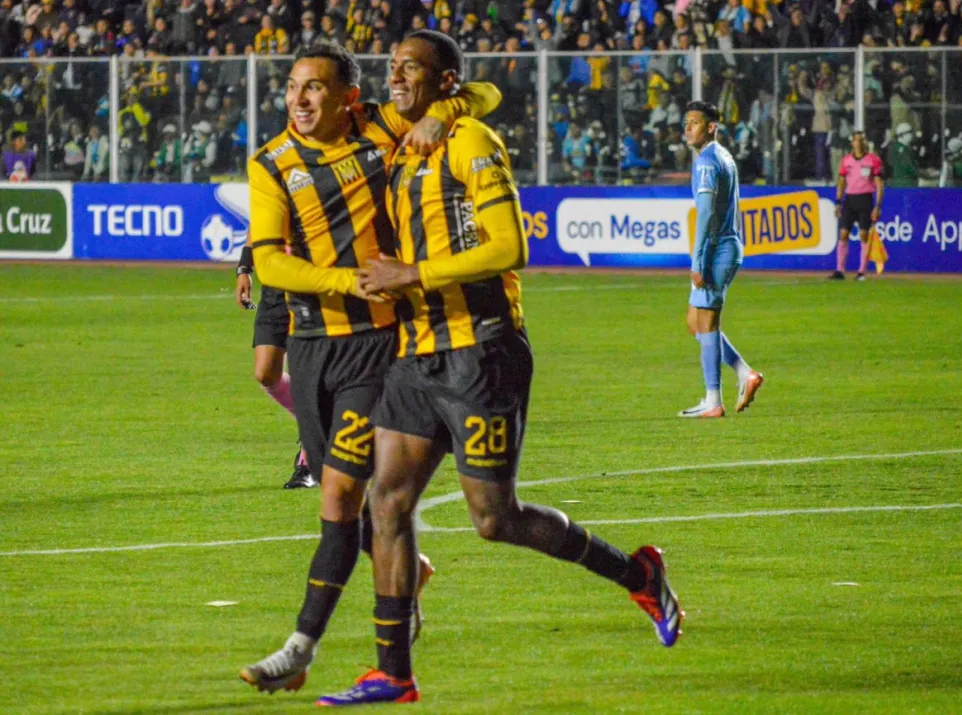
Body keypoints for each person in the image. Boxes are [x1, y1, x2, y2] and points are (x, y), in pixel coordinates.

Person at [315, 31, 683, 708]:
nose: (395, 78)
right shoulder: (402, 134)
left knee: (494, 518)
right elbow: (473, 90)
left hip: (481, 354)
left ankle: (638, 570)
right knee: (387, 503)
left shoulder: (472, 143)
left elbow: (512, 246)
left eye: (411, 70)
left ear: (445, 82)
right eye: (392, 68)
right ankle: (392, 672)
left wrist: (411, 271)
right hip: (417, 353)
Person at [238, 43, 501, 695]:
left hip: (380, 343)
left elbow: (487, 94)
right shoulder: (271, 162)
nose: (299, 99)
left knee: (338, 496)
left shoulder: (379, 128)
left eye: (314, 88)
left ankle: (300, 647)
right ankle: (410, 575)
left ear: (348, 98)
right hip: (313, 338)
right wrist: (344, 281)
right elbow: (271, 260)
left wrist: (450, 107)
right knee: (349, 503)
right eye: (293, 87)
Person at [679, 101, 763, 418]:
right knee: (695, 322)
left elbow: (705, 214)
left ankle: (713, 400)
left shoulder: (707, 163)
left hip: (716, 249)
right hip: (726, 245)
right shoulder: (722, 156)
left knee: (708, 323)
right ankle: (744, 374)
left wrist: (698, 260)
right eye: (686, 122)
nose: (688, 128)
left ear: (711, 126)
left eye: (695, 122)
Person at [235, 243, 316, 489]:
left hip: (312, 283)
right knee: (265, 372)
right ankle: (313, 424)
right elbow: (257, 225)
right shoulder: (271, 202)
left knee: (307, 372)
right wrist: (244, 268)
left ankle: (308, 461)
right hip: (275, 286)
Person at [831, 131, 884, 281]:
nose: (859, 143)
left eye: (861, 140)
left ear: (865, 142)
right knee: (843, 234)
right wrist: (838, 201)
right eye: (856, 140)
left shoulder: (873, 160)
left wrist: (878, 205)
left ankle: (861, 271)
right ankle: (840, 270)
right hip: (850, 200)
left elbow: (879, 184)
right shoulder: (846, 160)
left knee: (864, 235)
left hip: (865, 200)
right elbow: (841, 182)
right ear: (852, 143)